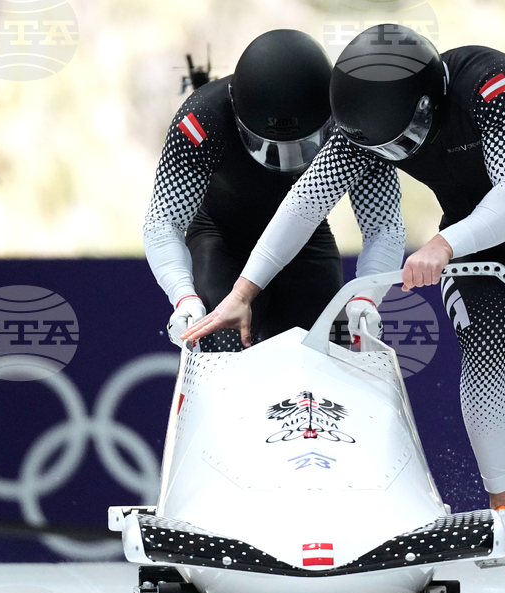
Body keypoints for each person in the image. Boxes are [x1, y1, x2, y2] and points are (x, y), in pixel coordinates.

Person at [184, 25, 505, 578]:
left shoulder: (495, 84)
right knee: (483, 365)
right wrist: (243, 292)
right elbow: (304, 204)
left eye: (402, 145)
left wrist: (443, 244)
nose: (393, 157)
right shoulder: (362, 132)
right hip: (480, 254)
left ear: (430, 102)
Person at [144, 29, 400, 352]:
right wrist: (184, 296)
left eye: (304, 146)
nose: (288, 163)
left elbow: (383, 225)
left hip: (302, 240)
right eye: (270, 148)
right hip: (221, 238)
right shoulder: (200, 121)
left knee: (325, 351)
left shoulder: (354, 122)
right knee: (223, 343)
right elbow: (163, 221)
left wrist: (367, 297)